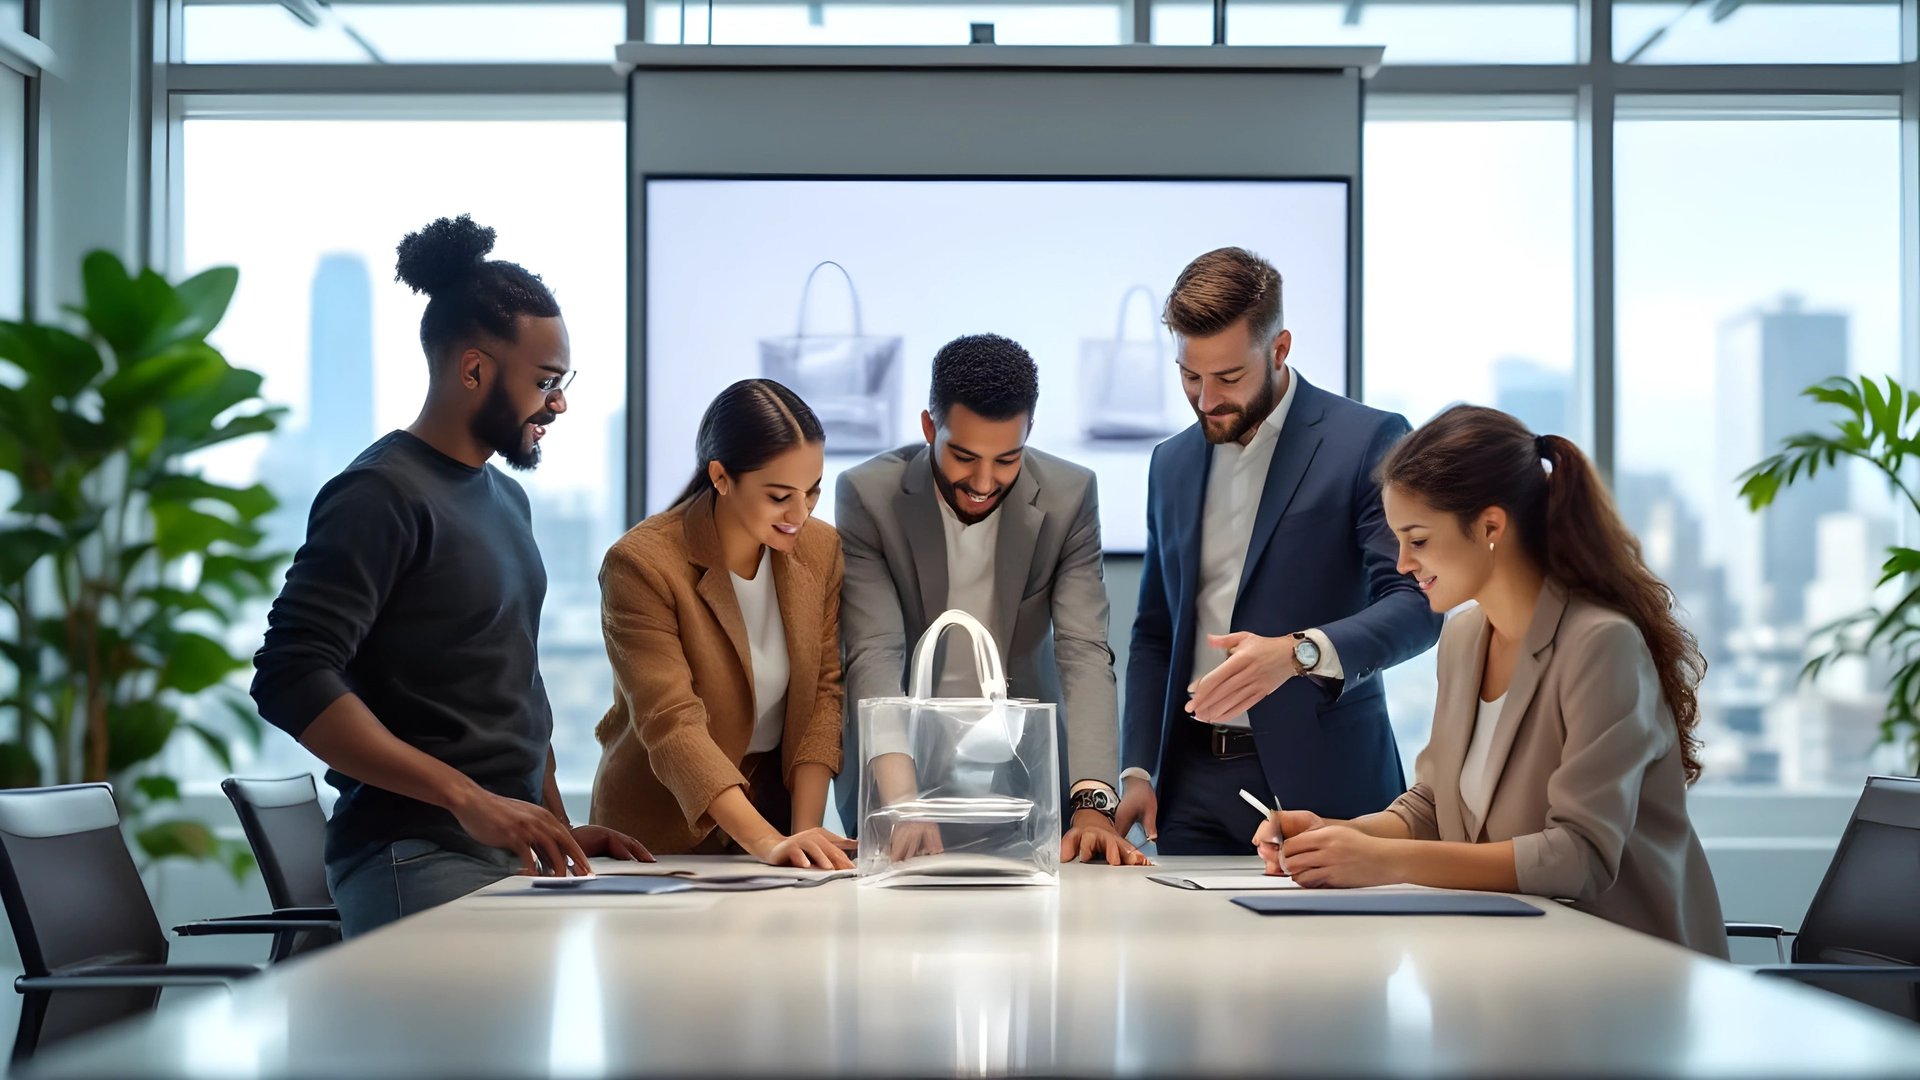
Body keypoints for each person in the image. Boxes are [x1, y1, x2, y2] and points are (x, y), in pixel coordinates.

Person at [251, 215, 652, 937]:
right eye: (545, 381)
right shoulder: (380, 494)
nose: (558, 403)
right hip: (416, 855)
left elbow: (514, 685)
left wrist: (554, 826)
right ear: (473, 370)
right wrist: (468, 799)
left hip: (504, 851)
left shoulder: (507, 499)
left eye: (563, 383)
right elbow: (290, 673)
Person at [1254, 405, 1728, 957]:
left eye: (1418, 539)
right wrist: (1339, 834)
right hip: (1516, 956)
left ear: (1490, 527)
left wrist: (1383, 861)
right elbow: (1433, 808)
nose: (1402, 563)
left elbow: (1579, 856)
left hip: (1625, 968)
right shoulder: (1464, 637)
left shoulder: (1600, 643)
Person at [1120, 247, 1442, 854]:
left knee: (1332, 955)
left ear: (1280, 348)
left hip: (1327, 787)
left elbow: (1416, 605)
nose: (1207, 399)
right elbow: (1156, 633)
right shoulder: (1170, 462)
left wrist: (1299, 654)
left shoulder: (1368, 440)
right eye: (1191, 376)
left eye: (1230, 378)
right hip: (1188, 792)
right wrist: (1138, 766)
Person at [836, 334, 1146, 866]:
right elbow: (874, 653)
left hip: (1023, 769)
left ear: (1029, 431)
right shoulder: (869, 496)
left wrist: (1093, 804)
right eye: (963, 456)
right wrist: (904, 804)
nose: (983, 481)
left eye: (1007, 459)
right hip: (899, 767)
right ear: (929, 428)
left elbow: (1084, 652)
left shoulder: (1070, 496)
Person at [591, 379, 853, 868]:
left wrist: (801, 833)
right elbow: (670, 721)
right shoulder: (642, 565)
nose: (800, 514)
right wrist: (767, 842)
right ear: (721, 476)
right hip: (657, 839)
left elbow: (823, 693)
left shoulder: (821, 549)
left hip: (773, 825)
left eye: (812, 492)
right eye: (779, 496)